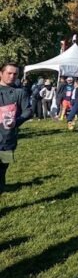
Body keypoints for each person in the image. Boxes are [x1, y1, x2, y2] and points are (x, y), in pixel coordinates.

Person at [0, 62, 33, 194]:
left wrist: (17, 121)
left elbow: (28, 111)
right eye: (9, 73)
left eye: (15, 74)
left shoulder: (20, 92)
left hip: (9, 140)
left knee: (2, 172)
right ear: (1, 74)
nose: (12, 76)